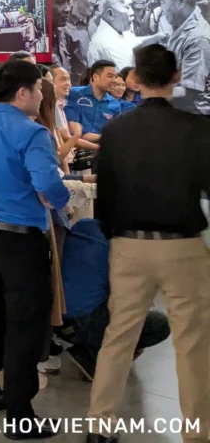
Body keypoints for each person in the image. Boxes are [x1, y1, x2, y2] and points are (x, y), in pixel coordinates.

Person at [86, 44, 210, 443]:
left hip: (129, 246)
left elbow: (104, 198)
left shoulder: (115, 130)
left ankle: (99, 427)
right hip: (183, 248)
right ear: (177, 76)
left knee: (119, 337)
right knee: (193, 344)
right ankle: (197, 434)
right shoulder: (197, 129)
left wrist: (116, 236)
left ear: (135, 79)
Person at [0, 60, 70, 438]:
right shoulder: (33, 133)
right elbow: (48, 184)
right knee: (25, 327)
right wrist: (59, 198)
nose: (42, 96)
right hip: (23, 241)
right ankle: (20, 416)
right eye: (39, 89)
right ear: (22, 92)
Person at [57, 218, 171, 382]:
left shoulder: (84, 225)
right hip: (86, 324)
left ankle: (93, 351)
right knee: (159, 324)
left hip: (59, 321)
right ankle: (94, 357)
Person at [155, 0, 210, 102]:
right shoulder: (179, 27)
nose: (161, 8)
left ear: (181, 1)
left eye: (163, 2)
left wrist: (150, 90)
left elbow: (189, 92)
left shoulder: (198, 38)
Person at [65, 60, 122, 143]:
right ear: (95, 77)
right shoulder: (73, 94)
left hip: (101, 150)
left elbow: (115, 132)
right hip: (73, 148)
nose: (114, 80)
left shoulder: (115, 104)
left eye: (115, 77)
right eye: (110, 76)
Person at [86, 0, 140, 69]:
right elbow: (127, 77)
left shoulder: (120, 30)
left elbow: (136, 42)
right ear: (110, 14)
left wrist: (157, 37)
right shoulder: (105, 44)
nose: (132, 12)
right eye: (127, 7)